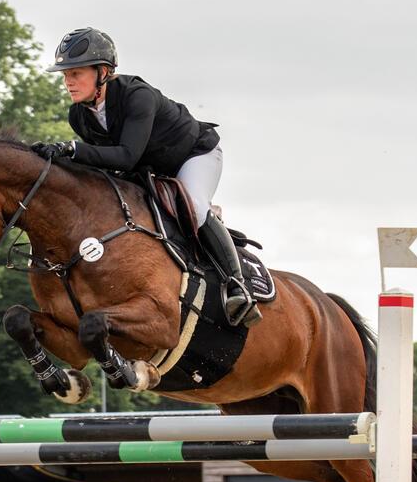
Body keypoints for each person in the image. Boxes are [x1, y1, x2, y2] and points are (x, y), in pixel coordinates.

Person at [31, 27, 260, 327]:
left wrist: (73, 150)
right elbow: (108, 169)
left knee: (193, 206)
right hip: (149, 169)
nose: (68, 82)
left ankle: (237, 285)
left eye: (76, 73)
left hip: (193, 155)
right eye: (65, 74)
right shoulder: (79, 115)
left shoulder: (136, 96)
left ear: (103, 72)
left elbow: (126, 155)